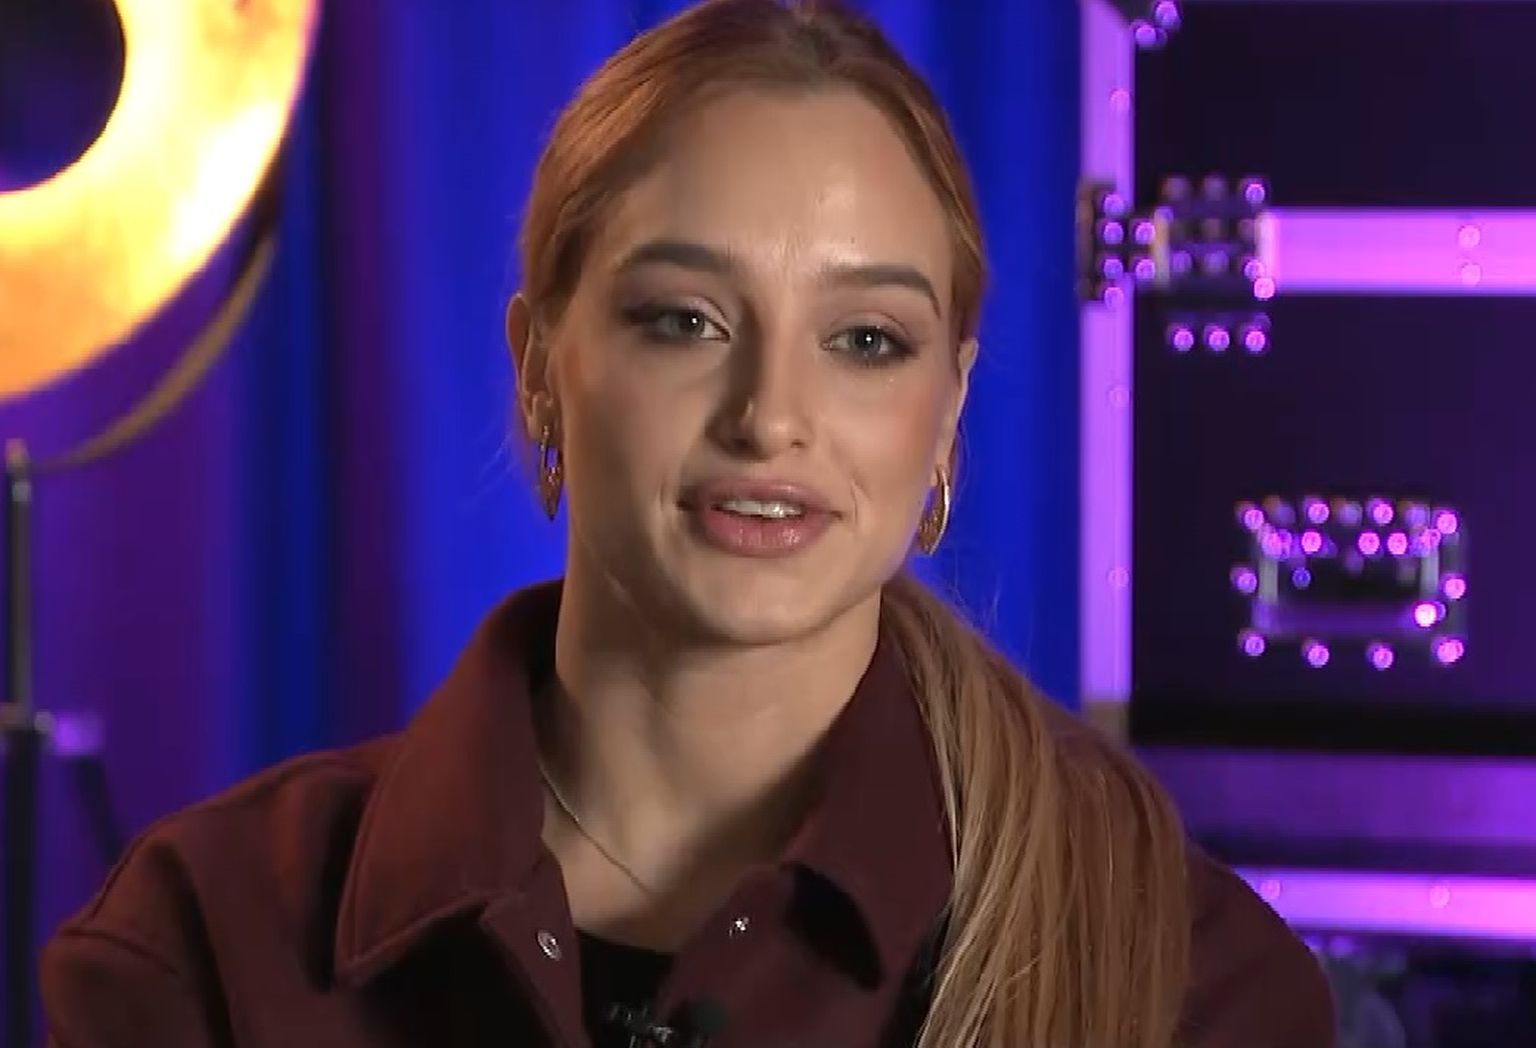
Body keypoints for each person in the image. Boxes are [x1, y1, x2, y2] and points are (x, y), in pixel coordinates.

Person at [41, 1, 1336, 1045]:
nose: (770, 417)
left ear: (947, 414)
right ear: (539, 369)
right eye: (685, 320)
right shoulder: (207, 943)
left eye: (866, 340)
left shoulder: (1190, 983)